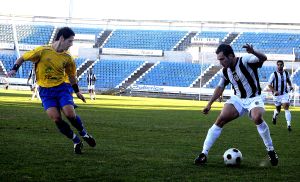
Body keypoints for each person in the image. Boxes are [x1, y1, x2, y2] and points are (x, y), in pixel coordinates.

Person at [7, 27, 96, 154]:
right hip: (45, 91)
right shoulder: (42, 51)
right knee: (56, 118)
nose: (71, 44)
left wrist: (77, 91)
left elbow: (71, 76)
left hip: (62, 88)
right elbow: (23, 58)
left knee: (69, 114)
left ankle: (84, 134)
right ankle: (76, 140)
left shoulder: (68, 58)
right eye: (70, 41)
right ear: (61, 38)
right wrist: (14, 69)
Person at [194, 43, 278, 166]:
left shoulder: (245, 60)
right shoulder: (224, 71)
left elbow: (263, 58)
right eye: (219, 60)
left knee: (257, 117)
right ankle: (203, 154)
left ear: (231, 56)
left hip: (254, 97)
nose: (220, 62)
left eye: (222, 59)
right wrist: (209, 104)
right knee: (220, 120)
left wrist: (253, 52)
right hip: (238, 99)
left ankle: (270, 150)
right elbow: (220, 87)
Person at [268, 60, 293, 131]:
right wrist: (274, 91)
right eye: (278, 65)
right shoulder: (273, 74)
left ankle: (289, 125)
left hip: (284, 94)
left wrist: (290, 85)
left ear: (283, 65)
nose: (279, 66)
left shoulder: (286, 73)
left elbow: (288, 80)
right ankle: (274, 116)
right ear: (277, 66)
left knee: (286, 107)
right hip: (276, 96)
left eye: (281, 65)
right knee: (278, 110)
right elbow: (269, 85)